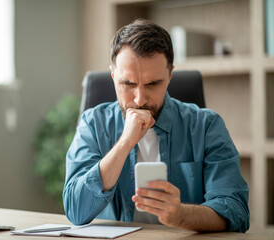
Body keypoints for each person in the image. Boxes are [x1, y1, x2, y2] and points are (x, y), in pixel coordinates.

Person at [63, 19, 249, 233]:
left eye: (153, 84)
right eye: (128, 84)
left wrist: (181, 214)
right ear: (113, 76)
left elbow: (237, 212)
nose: (140, 99)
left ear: (170, 75)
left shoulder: (206, 126)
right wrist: (125, 142)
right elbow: (75, 211)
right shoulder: (93, 124)